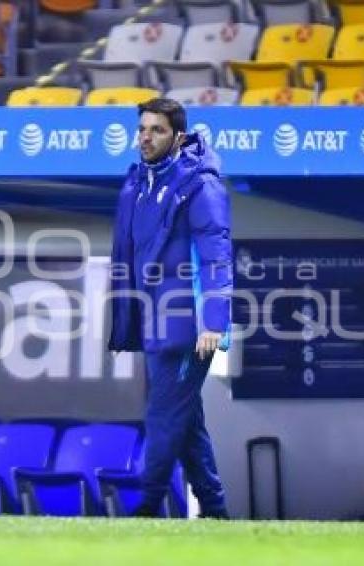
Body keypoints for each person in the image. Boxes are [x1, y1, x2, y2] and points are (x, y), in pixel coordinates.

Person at [108, 98, 232, 519]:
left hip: (190, 328)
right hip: (154, 320)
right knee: (186, 422)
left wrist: (213, 321)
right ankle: (215, 511)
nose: (146, 137)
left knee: (163, 414)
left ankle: (146, 505)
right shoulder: (139, 184)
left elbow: (216, 255)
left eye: (156, 130)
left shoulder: (200, 184)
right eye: (142, 129)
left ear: (178, 137)